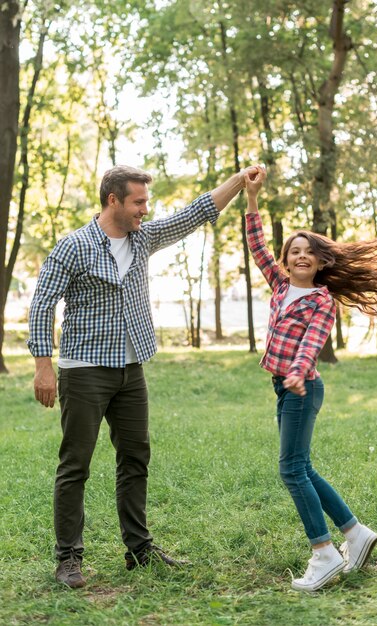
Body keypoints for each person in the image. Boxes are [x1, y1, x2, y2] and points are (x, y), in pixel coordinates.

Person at [28, 163, 259, 588]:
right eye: (138, 202)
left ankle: (139, 549)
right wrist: (43, 367)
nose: (144, 210)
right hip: (84, 370)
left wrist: (240, 180)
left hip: (131, 371)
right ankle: (68, 559)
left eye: (146, 202)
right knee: (75, 464)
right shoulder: (73, 247)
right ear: (113, 199)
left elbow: (194, 213)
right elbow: (42, 305)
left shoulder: (144, 237)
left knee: (135, 459)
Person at [244, 166, 377, 592]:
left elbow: (312, 343)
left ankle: (323, 553)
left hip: (302, 385)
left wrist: (296, 373)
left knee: (291, 469)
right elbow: (257, 246)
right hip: (284, 386)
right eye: (293, 250)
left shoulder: (320, 299)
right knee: (303, 467)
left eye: (307, 252)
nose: (299, 256)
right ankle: (355, 534)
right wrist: (253, 199)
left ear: (320, 260)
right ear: (286, 259)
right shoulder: (280, 286)